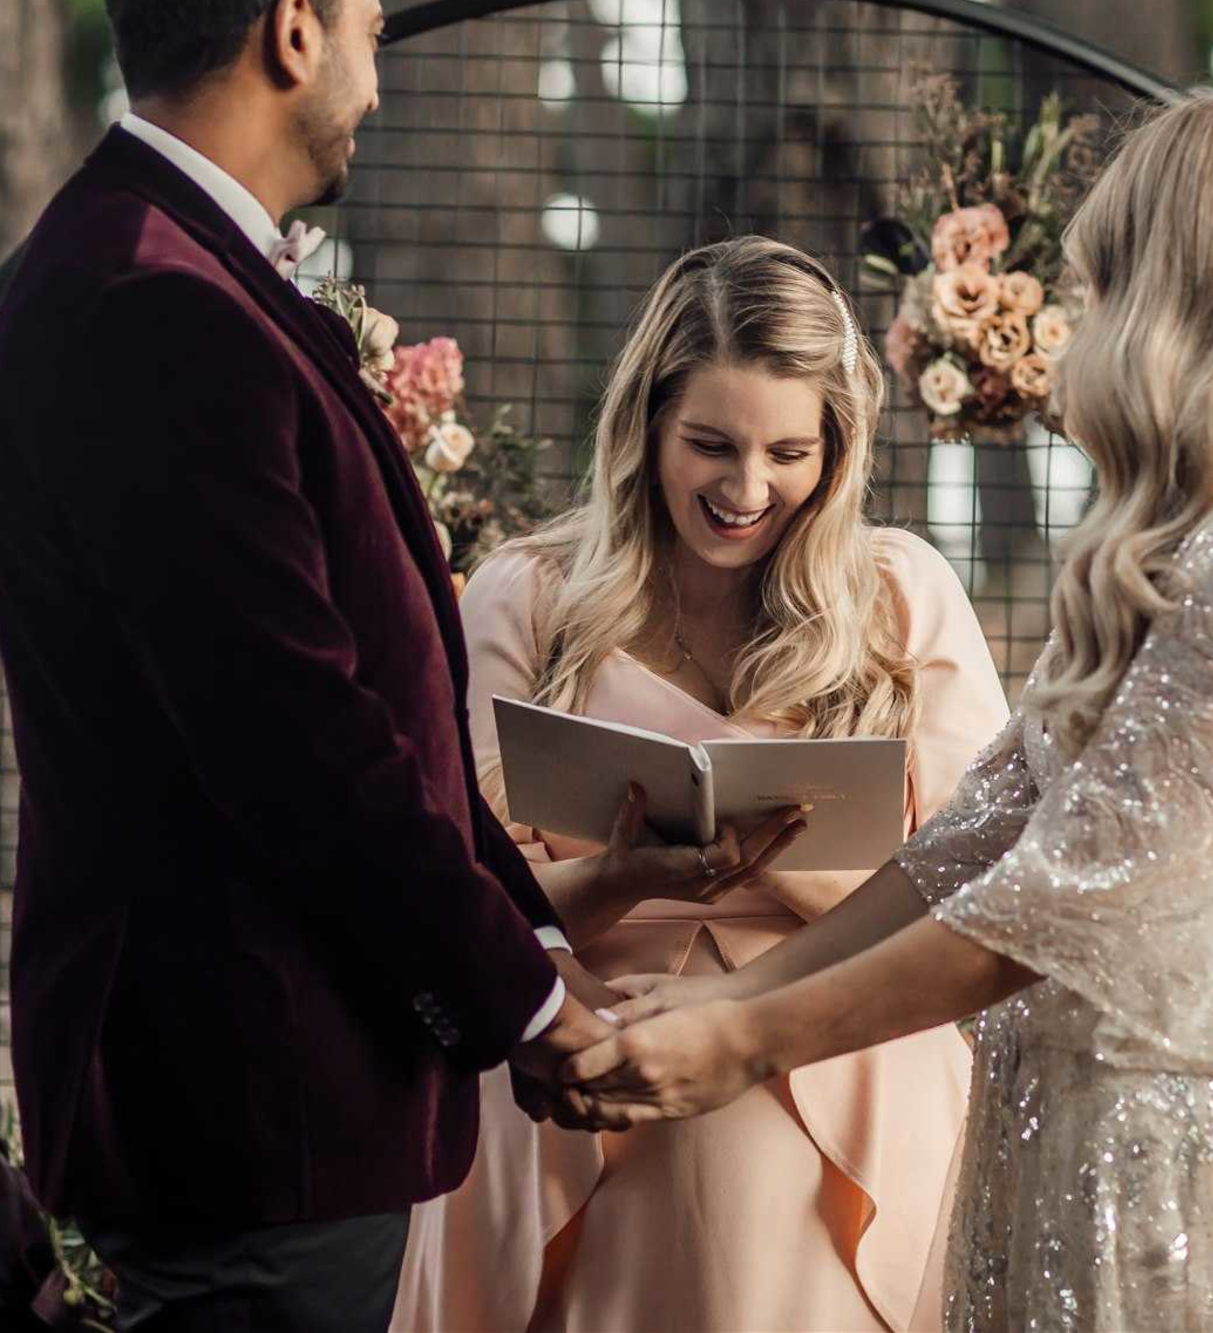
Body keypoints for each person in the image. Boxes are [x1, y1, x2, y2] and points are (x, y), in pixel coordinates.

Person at [563, 95, 1213, 1333]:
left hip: (1177, 1169)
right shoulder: (1191, 536)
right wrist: (742, 999)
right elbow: (984, 833)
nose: (1086, 319)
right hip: (1066, 1128)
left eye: (1111, 279)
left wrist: (757, 1042)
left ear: (1196, 290)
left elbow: (1079, 901)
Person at [0, 0, 613, 1332]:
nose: (377, 85)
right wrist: (516, 995)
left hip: (280, 1082)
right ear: (295, 30)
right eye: (373, 36)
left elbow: (369, 703)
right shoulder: (153, 309)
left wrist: (538, 941)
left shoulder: (174, 267)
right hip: (249, 1091)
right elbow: (293, 735)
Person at [393, 237, 1010, 1332]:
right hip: (581, 1071)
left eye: (788, 452)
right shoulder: (528, 597)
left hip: (843, 1057)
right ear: (645, 428)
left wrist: (781, 874)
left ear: (838, 447)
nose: (745, 489)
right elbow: (459, 899)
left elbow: (981, 891)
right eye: (710, 445)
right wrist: (627, 875)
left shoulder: (900, 592)